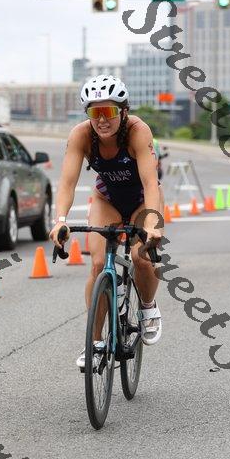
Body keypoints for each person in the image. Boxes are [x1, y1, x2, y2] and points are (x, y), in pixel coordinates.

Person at [49, 75, 164, 368]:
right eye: (94, 112)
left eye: (109, 111)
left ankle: (148, 307)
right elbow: (67, 183)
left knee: (141, 257)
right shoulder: (81, 135)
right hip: (107, 200)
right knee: (98, 264)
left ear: (123, 111)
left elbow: (151, 183)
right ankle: (95, 344)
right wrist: (60, 220)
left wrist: (152, 225)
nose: (102, 120)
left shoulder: (138, 131)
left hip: (141, 200)